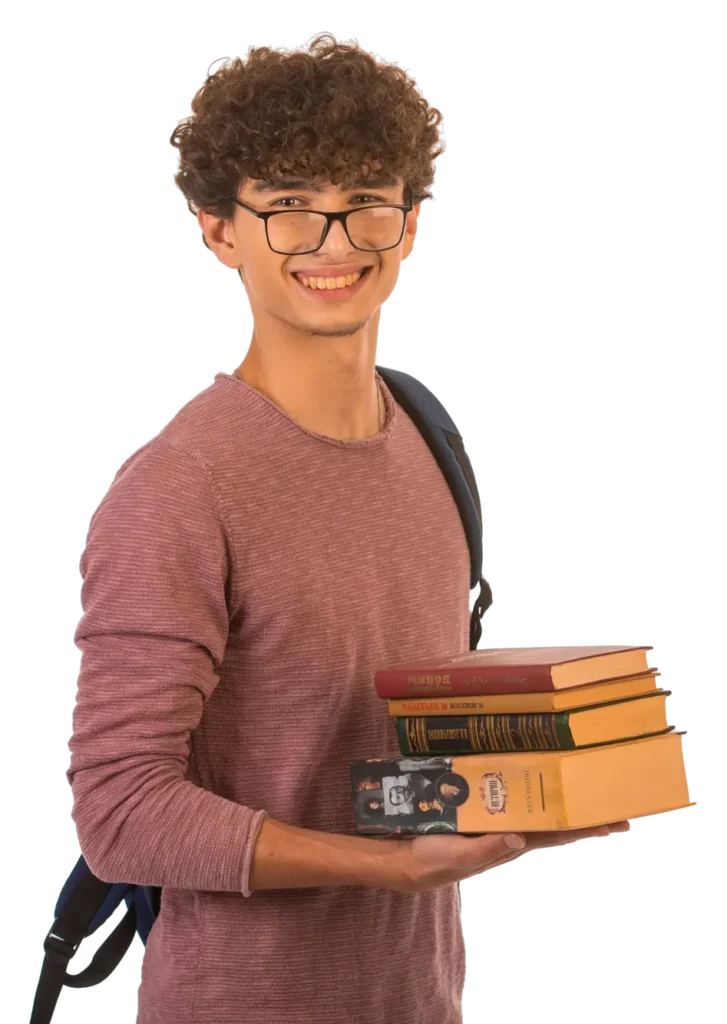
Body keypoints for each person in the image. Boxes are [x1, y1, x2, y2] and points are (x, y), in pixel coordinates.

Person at [69, 34, 629, 1024]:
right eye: (288, 207)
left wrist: (536, 790)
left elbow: (382, 748)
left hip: (415, 999)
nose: (333, 245)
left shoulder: (426, 439)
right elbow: (118, 813)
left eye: (366, 200)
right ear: (217, 230)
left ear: (408, 222)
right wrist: (387, 867)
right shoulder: (180, 489)